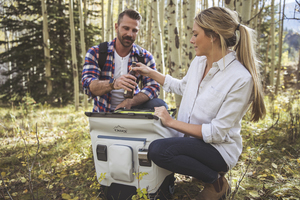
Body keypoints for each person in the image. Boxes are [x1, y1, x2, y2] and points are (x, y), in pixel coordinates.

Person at [133, 7, 266, 200]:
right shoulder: (199, 62)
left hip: (219, 150)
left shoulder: (241, 79)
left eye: (196, 34)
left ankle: (216, 182)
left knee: (158, 151)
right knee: (151, 141)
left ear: (212, 35)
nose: (192, 40)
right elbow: (182, 87)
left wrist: (170, 122)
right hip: (193, 142)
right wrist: (150, 72)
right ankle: (204, 175)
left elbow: (216, 132)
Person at [82, 9, 167, 112]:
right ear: (116, 27)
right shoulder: (96, 52)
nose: (130, 34)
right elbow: (88, 86)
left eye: (134, 30)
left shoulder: (144, 56)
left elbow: (153, 86)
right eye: (126, 28)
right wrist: (113, 84)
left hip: (132, 110)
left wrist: (130, 102)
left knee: (160, 105)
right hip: (103, 112)